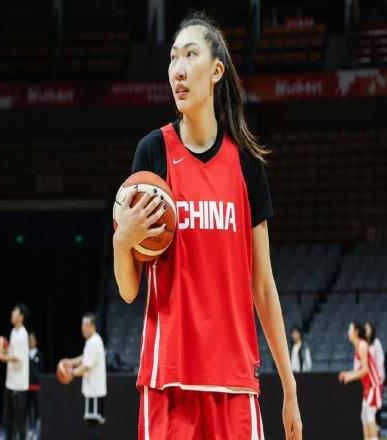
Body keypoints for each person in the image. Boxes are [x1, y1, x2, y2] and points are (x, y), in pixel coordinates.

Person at [113, 11, 302, 440]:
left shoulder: (247, 165)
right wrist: (122, 242)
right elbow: (128, 290)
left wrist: (289, 388)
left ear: (216, 71)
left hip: (235, 384)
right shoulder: (152, 154)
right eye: (173, 58)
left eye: (190, 55)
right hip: (169, 382)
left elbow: (263, 285)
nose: (178, 70)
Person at [65, 312, 107, 440]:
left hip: (94, 391)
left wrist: (70, 373)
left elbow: (86, 366)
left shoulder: (94, 342)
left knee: (93, 425)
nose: (83, 328)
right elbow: (84, 358)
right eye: (82, 325)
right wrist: (70, 362)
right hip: (94, 391)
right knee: (92, 424)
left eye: (86, 325)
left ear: (93, 326)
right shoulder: (93, 340)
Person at [339, 321, 382, 440]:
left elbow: (365, 370)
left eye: (350, 329)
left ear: (356, 331)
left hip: (374, 385)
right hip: (368, 387)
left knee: (369, 416)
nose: (348, 332)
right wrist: (348, 374)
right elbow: (359, 369)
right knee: (364, 417)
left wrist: (350, 377)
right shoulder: (358, 346)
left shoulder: (362, 345)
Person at [0, 303, 29, 440]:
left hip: (19, 386)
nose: (12, 314)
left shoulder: (23, 334)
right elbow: (12, 351)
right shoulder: (13, 331)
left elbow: (16, 358)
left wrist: (1, 357)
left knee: (20, 422)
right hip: (10, 383)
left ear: (21, 317)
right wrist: (0, 352)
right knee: (8, 420)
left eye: (15, 312)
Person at [27, 331, 43, 438]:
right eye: (29, 340)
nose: (31, 341)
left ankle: (37, 431)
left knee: (37, 409)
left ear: (35, 341)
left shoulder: (39, 354)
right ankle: (29, 430)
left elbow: (41, 369)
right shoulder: (25, 354)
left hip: (37, 386)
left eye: (32, 339)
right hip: (26, 386)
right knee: (28, 409)